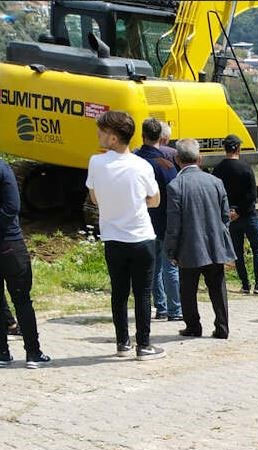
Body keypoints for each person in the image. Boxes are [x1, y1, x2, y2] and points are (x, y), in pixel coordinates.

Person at [86, 111, 165, 361]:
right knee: (143, 293)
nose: (98, 133)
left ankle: (122, 343)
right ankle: (144, 345)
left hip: (113, 239)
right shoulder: (142, 165)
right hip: (141, 237)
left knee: (118, 293)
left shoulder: (96, 163)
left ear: (113, 138)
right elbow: (154, 200)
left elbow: (94, 197)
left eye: (102, 131)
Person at [166, 139, 237, 339]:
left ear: (176, 159)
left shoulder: (175, 186)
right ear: (200, 158)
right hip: (215, 245)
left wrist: (171, 250)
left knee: (187, 289)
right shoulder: (215, 182)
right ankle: (222, 327)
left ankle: (193, 326)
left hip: (189, 247)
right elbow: (225, 216)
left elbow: (174, 225)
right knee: (217, 287)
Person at [0, 160, 50, 368]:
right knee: (22, 299)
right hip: (9, 242)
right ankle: (33, 352)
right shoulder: (2, 168)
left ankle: (2, 353)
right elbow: (12, 206)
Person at [212, 135, 258, 295]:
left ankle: (245, 285)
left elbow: (217, 194)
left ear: (224, 148)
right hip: (248, 215)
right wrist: (240, 211)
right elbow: (252, 194)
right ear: (238, 148)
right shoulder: (246, 168)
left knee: (237, 251)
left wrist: (230, 212)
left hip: (230, 217)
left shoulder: (218, 169)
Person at [135, 118, 182, 321]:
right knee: (169, 267)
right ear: (162, 137)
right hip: (164, 222)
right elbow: (175, 195)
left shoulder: (134, 160)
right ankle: (175, 310)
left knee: (151, 268)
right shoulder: (166, 164)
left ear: (143, 136)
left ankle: (160, 307)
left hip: (141, 223)